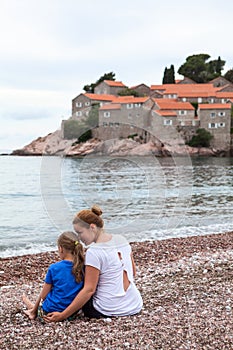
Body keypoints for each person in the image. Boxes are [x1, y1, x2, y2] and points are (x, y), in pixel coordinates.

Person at [44, 205, 143, 322]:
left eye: (80, 232)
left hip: (108, 309)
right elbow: (133, 272)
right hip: (134, 304)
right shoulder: (122, 240)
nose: (79, 238)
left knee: (77, 291)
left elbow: (89, 290)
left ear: (92, 227)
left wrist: (63, 316)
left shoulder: (94, 252)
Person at [22, 231, 84, 321]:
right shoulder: (83, 267)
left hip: (49, 312)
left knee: (43, 301)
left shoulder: (54, 268)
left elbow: (44, 294)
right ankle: (31, 307)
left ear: (61, 249)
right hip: (72, 313)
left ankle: (32, 309)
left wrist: (35, 311)